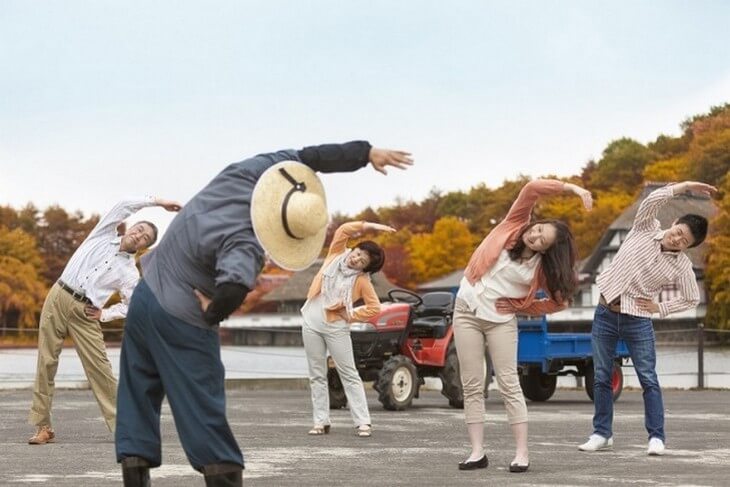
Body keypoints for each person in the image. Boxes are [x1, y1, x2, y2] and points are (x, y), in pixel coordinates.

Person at [114, 141, 412, 487]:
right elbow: (234, 287)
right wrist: (212, 316)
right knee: (202, 404)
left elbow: (310, 156)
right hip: (182, 314)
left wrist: (365, 152)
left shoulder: (245, 173)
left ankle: (135, 477)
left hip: (144, 295)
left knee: (138, 391)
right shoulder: (246, 239)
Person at [454, 179, 592, 473]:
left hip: (500, 321)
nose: (535, 236)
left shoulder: (540, 269)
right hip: (464, 310)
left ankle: (521, 453)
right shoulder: (513, 225)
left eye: (543, 240)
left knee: (508, 384)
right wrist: (573, 189)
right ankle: (477, 452)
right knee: (472, 384)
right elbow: (531, 188)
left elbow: (559, 302)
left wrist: (522, 306)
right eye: (538, 229)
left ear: (547, 250)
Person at [27, 196, 180, 445]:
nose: (139, 236)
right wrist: (159, 202)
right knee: (46, 362)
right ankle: (43, 427)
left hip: (86, 312)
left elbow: (133, 305)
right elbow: (123, 206)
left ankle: (125, 427)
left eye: (145, 239)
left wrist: (105, 314)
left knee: (101, 369)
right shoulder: (102, 234)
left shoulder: (130, 273)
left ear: (143, 247)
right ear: (130, 227)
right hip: (58, 296)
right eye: (139, 230)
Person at [578, 181, 715, 456]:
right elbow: (652, 200)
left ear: (689, 246)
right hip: (605, 312)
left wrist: (659, 308)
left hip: (638, 319)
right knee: (601, 376)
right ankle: (602, 433)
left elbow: (690, 298)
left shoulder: (682, 266)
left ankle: (656, 436)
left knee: (648, 378)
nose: (677, 239)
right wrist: (683, 186)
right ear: (673, 222)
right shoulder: (644, 228)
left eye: (684, 241)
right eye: (678, 232)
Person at [302, 220, 394, 438]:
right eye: (358, 252)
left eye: (362, 261)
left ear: (365, 268)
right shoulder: (335, 255)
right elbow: (343, 230)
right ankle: (321, 421)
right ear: (354, 249)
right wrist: (373, 227)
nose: (356, 259)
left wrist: (351, 315)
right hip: (311, 321)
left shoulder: (361, 281)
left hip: (336, 326)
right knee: (316, 374)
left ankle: (363, 422)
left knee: (349, 373)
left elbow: (374, 308)